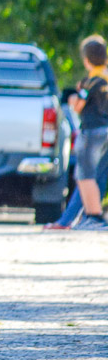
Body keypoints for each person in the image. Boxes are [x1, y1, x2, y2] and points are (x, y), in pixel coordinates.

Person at [66, 35, 108, 230]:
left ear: (86, 60)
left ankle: (94, 216)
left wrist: (73, 99)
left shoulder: (90, 81)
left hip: (92, 131)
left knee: (85, 175)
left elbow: (79, 105)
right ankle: (92, 216)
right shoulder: (106, 77)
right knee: (97, 174)